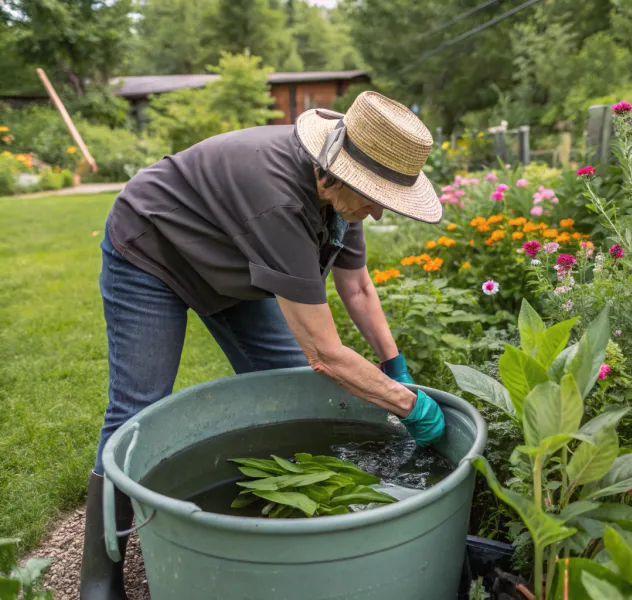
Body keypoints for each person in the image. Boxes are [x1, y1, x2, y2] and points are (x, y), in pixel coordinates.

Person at [80, 91, 446, 600]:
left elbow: (357, 287)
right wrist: (409, 403)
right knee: (137, 409)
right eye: (375, 196)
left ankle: (292, 524)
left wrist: (394, 363)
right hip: (153, 251)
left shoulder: (343, 204)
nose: (379, 212)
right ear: (337, 172)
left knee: (290, 381)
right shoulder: (279, 198)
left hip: (233, 263)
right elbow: (325, 353)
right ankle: (99, 575)